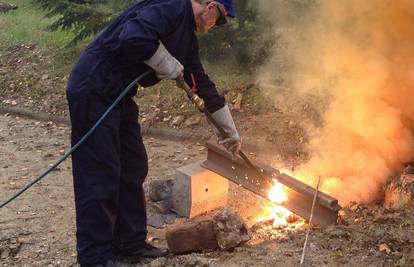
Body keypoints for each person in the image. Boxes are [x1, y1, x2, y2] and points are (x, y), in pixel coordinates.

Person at [66, 0, 240, 266]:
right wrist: (164, 60)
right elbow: (132, 36)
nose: (217, 25)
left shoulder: (186, 40)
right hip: (94, 88)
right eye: (221, 18)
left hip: (119, 95)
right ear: (210, 6)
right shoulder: (171, 7)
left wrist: (229, 131)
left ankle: (129, 244)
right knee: (100, 172)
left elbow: (201, 83)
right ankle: (95, 257)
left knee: (133, 165)